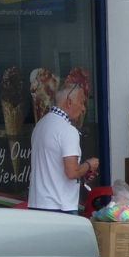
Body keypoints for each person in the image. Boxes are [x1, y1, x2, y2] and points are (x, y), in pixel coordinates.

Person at [28, 81, 99, 213]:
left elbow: (53, 166)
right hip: (60, 206)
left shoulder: (40, 125)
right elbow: (72, 172)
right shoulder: (67, 130)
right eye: (82, 102)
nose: (83, 108)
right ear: (69, 102)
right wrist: (89, 165)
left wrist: (82, 172)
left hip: (36, 204)